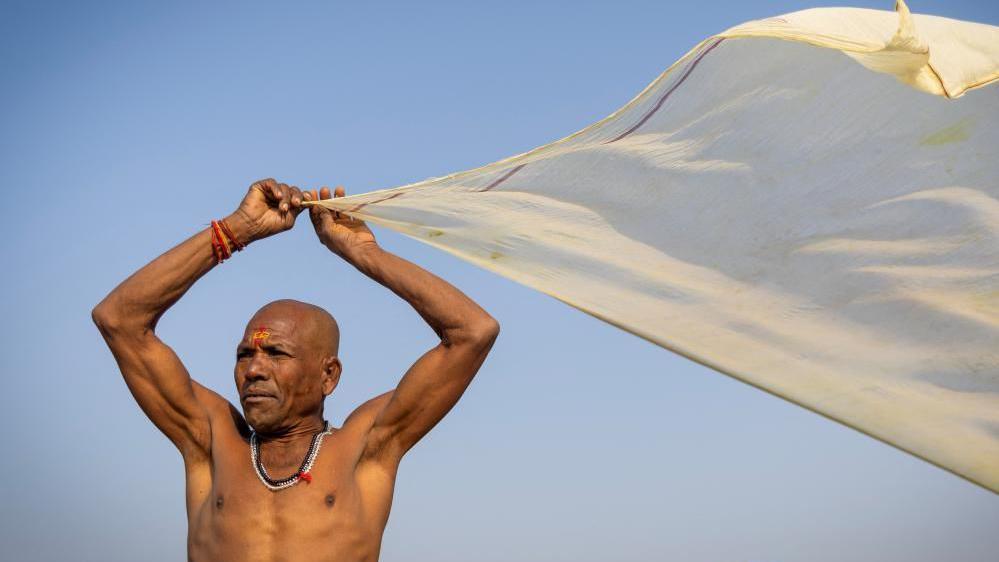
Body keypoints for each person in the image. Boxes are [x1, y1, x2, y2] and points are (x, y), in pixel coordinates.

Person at [91, 179, 500, 561]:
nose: (254, 370)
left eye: (277, 354)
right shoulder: (211, 439)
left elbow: (472, 332)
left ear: (329, 375)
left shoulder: (365, 446)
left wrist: (366, 255)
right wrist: (237, 231)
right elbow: (119, 320)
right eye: (244, 355)